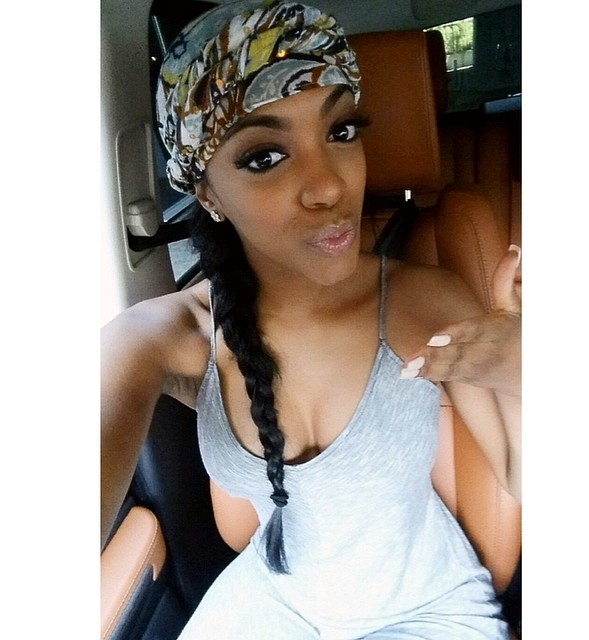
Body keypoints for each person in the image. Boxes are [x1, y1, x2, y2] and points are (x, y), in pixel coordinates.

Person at [101, 0, 521, 637]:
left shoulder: (428, 302)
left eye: (342, 131)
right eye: (264, 157)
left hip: (427, 609)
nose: (329, 187)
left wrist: (522, 367)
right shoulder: (170, 335)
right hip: (272, 599)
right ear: (207, 193)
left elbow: (523, 473)